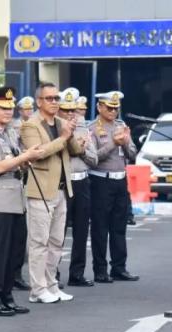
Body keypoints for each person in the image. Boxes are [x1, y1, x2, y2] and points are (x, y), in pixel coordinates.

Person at [0, 86, 45, 316]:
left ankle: (7, 296)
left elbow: (14, 162)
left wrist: (24, 160)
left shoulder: (10, 134)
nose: (8, 112)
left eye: (9, 108)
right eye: (2, 108)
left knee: (14, 251)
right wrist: (25, 156)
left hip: (16, 196)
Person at [20, 82, 85, 304]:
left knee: (56, 242)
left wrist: (71, 134)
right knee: (39, 243)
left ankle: (51, 285)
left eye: (56, 98)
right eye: (50, 98)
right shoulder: (30, 125)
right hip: (40, 190)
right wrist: (63, 138)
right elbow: (37, 153)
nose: (55, 102)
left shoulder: (61, 123)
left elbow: (76, 151)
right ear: (39, 101)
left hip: (61, 189)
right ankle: (37, 289)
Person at [88, 91, 139, 283]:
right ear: (99, 107)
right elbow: (93, 157)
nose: (113, 111)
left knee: (119, 227)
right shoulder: (92, 128)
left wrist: (125, 142)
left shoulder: (121, 126)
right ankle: (100, 270)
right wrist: (112, 143)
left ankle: (119, 267)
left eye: (116, 108)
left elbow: (133, 154)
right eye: (109, 107)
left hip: (120, 180)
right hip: (101, 180)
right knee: (100, 228)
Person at [59, 88, 96, 287]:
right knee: (58, 231)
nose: (70, 113)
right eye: (66, 109)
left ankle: (77, 273)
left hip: (82, 181)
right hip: (63, 182)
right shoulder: (54, 128)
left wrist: (80, 151)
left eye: (73, 110)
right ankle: (52, 275)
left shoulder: (84, 129)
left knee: (82, 230)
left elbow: (94, 158)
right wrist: (72, 145)